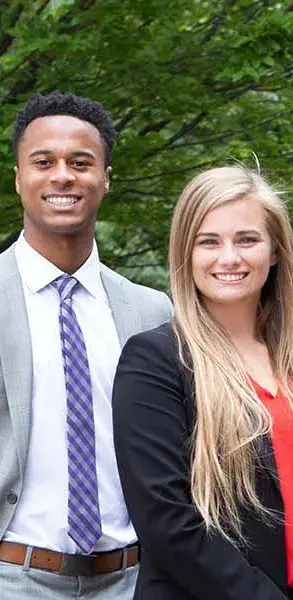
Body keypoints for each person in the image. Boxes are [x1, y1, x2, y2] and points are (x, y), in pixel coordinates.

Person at [111, 167, 293, 599]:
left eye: (246, 240)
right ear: (185, 253)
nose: (229, 257)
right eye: (208, 242)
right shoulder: (156, 361)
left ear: (273, 252)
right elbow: (168, 522)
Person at [0, 92, 172, 598]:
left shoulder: (151, 312)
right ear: (18, 178)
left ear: (105, 178)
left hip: (134, 579)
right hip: (13, 577)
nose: (62, 176)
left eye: (80, 163)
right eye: (43, 162)